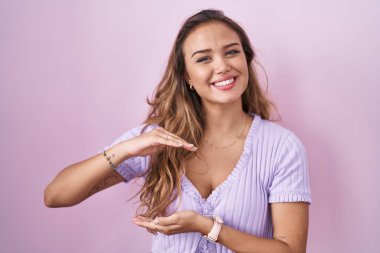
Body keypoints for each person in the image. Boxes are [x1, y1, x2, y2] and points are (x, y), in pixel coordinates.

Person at [44, 9, 312, 253]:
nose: (222, 66)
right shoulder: (155, 139)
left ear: (246, 59)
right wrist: (125, 149)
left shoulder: (281, 147)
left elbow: (291, 251)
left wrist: (207, 227)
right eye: (204, 58)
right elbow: (55, 196)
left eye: (231, 52)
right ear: (187, 77)